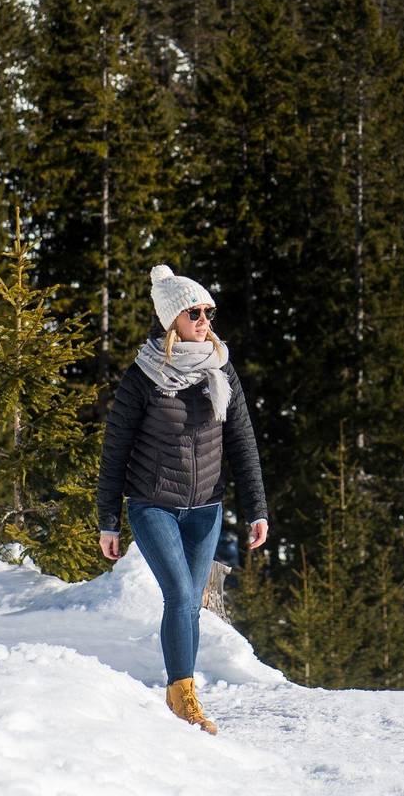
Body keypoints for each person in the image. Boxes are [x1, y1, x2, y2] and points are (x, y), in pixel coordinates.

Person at [96, 264, 270, 735]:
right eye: (195, 312)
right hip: (153, 505)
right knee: (178, 594)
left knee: (192, 602)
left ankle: (183, 690)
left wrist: (256, 509)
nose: (205, 320)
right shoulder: (143, 376)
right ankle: (183, 696)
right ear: (172, 317)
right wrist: (108, 520)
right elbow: (115, 450)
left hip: (207, 508)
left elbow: (242, 441)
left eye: (208, 311)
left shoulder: (220, 367)